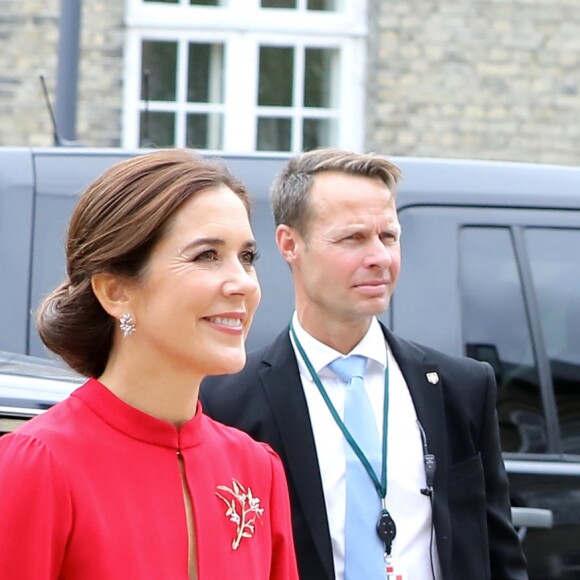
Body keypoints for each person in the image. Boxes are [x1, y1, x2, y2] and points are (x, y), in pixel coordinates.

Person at [201, 148, 528, 580]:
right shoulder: (225, 398)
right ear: (289, 244)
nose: (379, 258)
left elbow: (498, 553)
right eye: (353, 238)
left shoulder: (459, 387)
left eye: (388, 237)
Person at [0, 149, 299, 580]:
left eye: (247, 257)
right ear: (115, 292)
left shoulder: (257, 468)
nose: (242, 284)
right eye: (207, 256)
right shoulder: (38, 465)